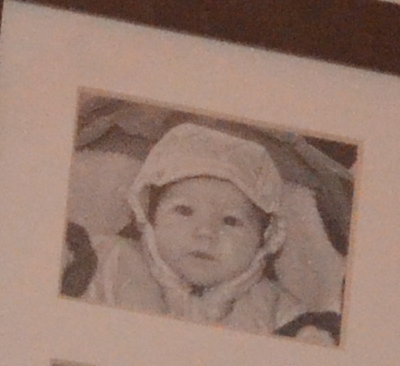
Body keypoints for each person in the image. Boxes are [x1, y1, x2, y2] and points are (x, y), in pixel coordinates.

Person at [74, 121, 339, 343]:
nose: (206, 233)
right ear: (149, 216)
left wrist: (312, 338)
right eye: (184, 211)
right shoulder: (108, 260)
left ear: (265, 238)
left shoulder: (276, 307)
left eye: (230, 221)